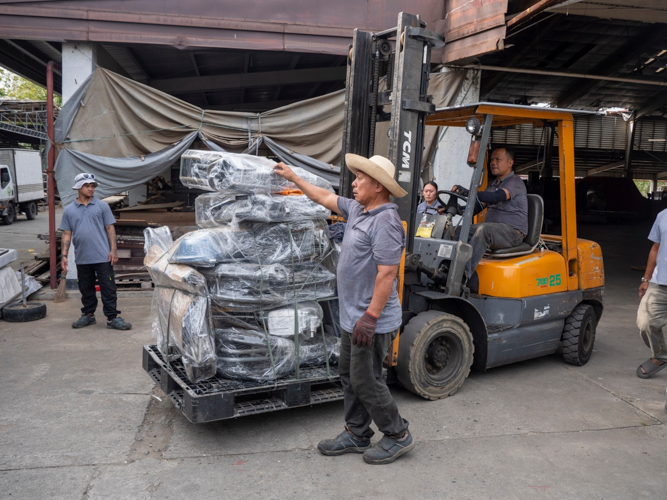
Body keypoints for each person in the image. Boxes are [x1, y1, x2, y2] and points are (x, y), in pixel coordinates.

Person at [273, 154, 414, 465]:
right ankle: (357, 433)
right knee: (349, 375)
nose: (354, 182)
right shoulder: (359, 210)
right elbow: (324, 196)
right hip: (354, 318)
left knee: (366, 379)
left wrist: (371, 317)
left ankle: (397, 434)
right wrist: (294, 178)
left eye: (359, 178)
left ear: (377, 185)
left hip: (371, 320)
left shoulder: (386, 222)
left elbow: (387, 273)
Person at [60, 173, 132, 331]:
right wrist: (64, 255)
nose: (91, 188)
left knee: (108, 287)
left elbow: (110, 228)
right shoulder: (69, 211)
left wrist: (113, 250)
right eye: (87, 185)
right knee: (86, 288)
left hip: (102, 256)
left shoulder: (102, 206)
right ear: (78, 187)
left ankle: (112, 317)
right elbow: (66, 233)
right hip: (82, 257)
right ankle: (88, 315)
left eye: (92, 185)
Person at [451, 147, 528, 290]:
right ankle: (447, 269)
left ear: (510, 162)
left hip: (512, 233)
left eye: (498, 159)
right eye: (492, 160)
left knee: (483, 230)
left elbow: (497, 197)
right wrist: (456, 209)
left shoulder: (515, 182)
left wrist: (470, 192)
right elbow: (478, 207)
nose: (493, 163)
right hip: (495, 231)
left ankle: (461, 276)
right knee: (456, 231)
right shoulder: (492, 185)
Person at [636, 208, 667, 379]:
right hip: (660, 282)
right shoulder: (663, 215)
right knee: (645, 323)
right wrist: (646, 279)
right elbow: (655, 248)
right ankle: (661, 356)